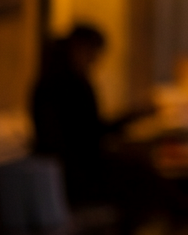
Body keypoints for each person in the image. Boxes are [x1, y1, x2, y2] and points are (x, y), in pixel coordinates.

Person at [31, 24, 149, 206]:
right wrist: (129, 118)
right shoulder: (68, 84)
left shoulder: (55, 81)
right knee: (140, 173)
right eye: (93, 53)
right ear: (80, 48)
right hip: (77, 173)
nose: (95, 61)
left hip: (73, 169)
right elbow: (87, 133)